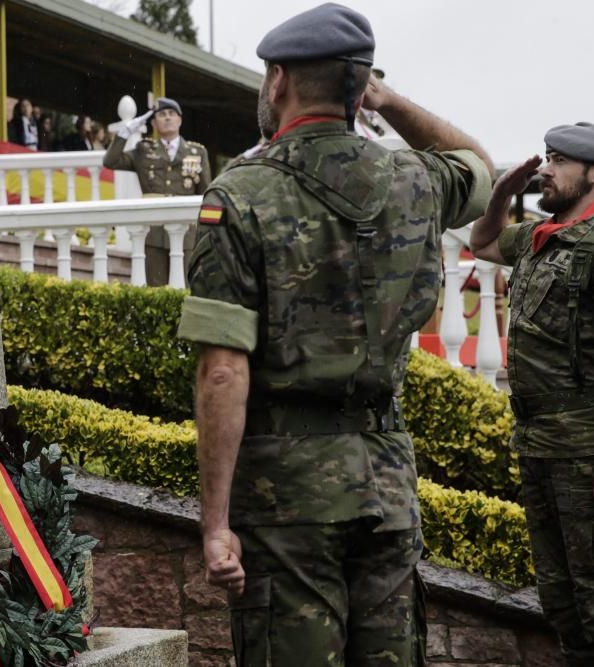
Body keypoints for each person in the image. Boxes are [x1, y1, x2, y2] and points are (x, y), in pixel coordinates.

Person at [175, 4, 494, 665]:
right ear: (358, 87)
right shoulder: (414, 180)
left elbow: (223, 370)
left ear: (279, 81)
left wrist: (216, 523)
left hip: (286, 496)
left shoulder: (238, 197)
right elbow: (479, 167)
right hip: (387, 484)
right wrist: (386, 99)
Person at [470, 123, 594, 665]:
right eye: (548, 157)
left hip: (584, 452)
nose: (546, 170)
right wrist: (502, 193)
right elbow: (481, 242)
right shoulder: (541, 236)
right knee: (561, 600)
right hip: (538, 444)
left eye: (559, 161)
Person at [104, 97, 211, 285]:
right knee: (156, 288)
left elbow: (205, 195)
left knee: (186, 287)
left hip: (186, 232)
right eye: (162, 115)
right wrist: (124, 133)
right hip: (154, 231)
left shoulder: (197, 152)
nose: (167, 118)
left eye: (172, 114)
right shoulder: (143, 150)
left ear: (180, 120)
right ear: (153, 123)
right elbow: (110, 161)